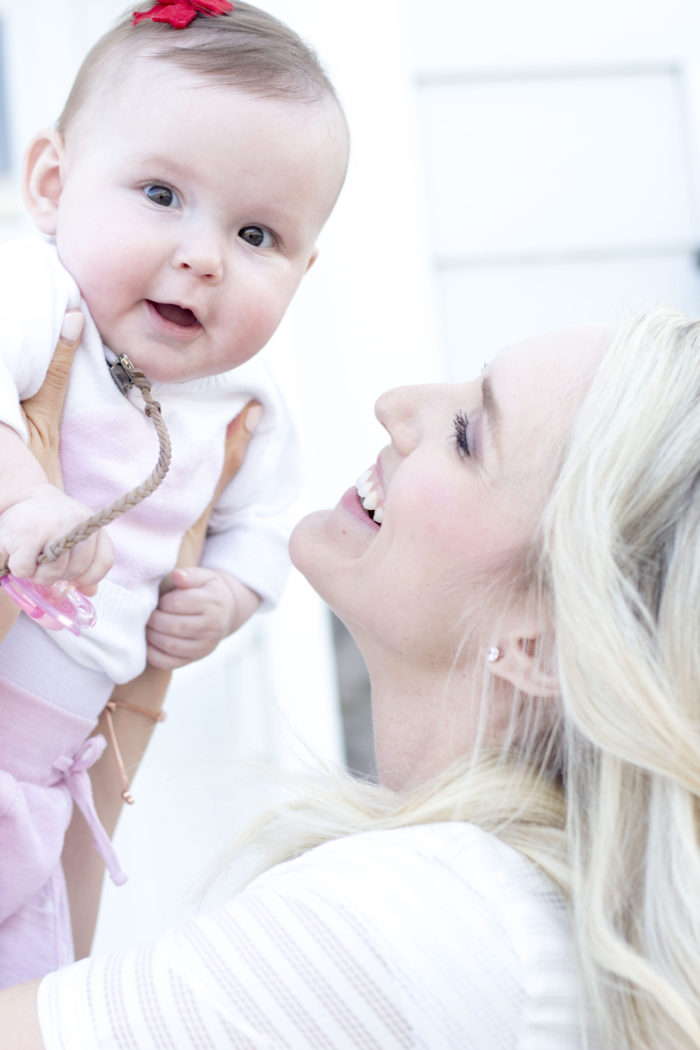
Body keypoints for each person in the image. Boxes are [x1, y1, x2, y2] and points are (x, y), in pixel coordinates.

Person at [2, 304, 699, 1048]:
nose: (396, 405)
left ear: (543, 648)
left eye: (467, 435)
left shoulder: (412, 924)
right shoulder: (516, 918)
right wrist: (108, 644)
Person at [0, 0, 349, 987]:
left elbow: (265, 527)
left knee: (36, 987)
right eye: (160, 193)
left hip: (57, 770)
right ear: (53, 186)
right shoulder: (39, 297)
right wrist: (23, 495)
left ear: (304, 269)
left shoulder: (247, 404)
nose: (203, 255)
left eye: (256, 233)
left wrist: (232, 596)